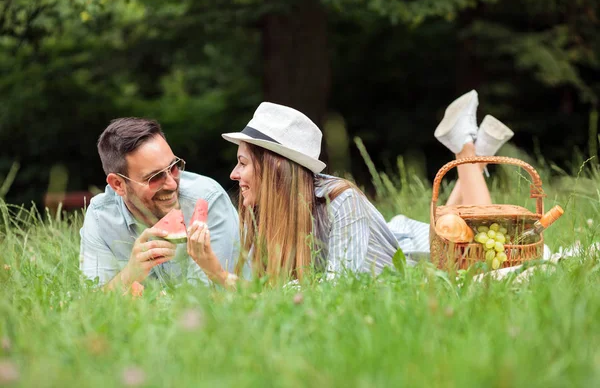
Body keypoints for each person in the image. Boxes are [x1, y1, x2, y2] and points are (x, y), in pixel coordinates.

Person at [184, 92, 515, 285]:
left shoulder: (343, 203)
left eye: (242, 163)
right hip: (401, 242)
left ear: (274, 170)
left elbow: (338, 290)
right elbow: (264, 297)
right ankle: (473, 152)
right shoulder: (266, 214)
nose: (233, 174)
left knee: (486, 255)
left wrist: (218, 274)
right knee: (451, 237)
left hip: (422, 267)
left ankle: (469, 153)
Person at [79, 117, 240, 290]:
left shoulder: (207, 199)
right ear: (118, 184)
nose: (172, 184)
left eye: (173, 167)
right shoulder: (100, 216)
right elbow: (93, 302)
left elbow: (208, 298)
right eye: (154, 177)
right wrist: (130, 274)